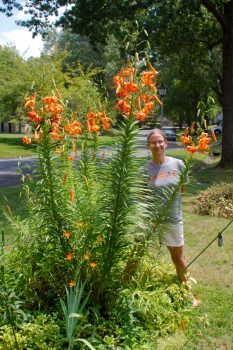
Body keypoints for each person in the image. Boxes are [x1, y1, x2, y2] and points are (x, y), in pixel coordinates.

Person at [145, 128, 200, 306]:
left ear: (165, 143)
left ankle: (188, 294)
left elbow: (182, 189)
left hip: (173, 218)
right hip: (149, 219)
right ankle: (121, 289)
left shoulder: (178, 164)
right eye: (153, 142)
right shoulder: (144, 169)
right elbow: (141, 196)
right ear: (148, 146)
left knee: (178, 258)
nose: (157, 145)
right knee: (136, 254)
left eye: (160, 141)